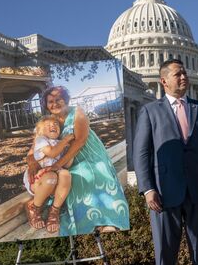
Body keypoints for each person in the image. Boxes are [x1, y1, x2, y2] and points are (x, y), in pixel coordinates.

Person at [133, 59, 198, 265]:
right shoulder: (150, 111)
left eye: (185, 73)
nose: (184, 77)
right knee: (164, 260)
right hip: (163, 194)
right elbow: (142, 153)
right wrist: (147, 188)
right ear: (164, 81)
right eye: (177, 74)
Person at [26, 86, 129, 236]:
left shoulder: (77, 112)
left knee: (95, 174)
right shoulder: (48, 122)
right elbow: (33, 149)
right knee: (73, 179)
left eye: (58, 99)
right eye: (50, 101)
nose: (54, 104)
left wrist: (56, 165)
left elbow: (80, 141)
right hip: (65, 161)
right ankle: (89, 219)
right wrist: (32, 164)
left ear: (66, 100)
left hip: (88, 152)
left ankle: (107, 219)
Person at [23, 115, 74, 233]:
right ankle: (33, 207)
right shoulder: (41, 140)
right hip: (38, 181)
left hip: (53, 182)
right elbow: (51, 153)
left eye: (56, 124)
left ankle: (54, 210)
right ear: (40, 131)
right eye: (48, 125)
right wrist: (65, 141)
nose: (53, 125)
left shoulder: (59, 143)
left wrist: (70, 150)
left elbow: (66, 165)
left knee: (66, 174)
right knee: (51, 176)